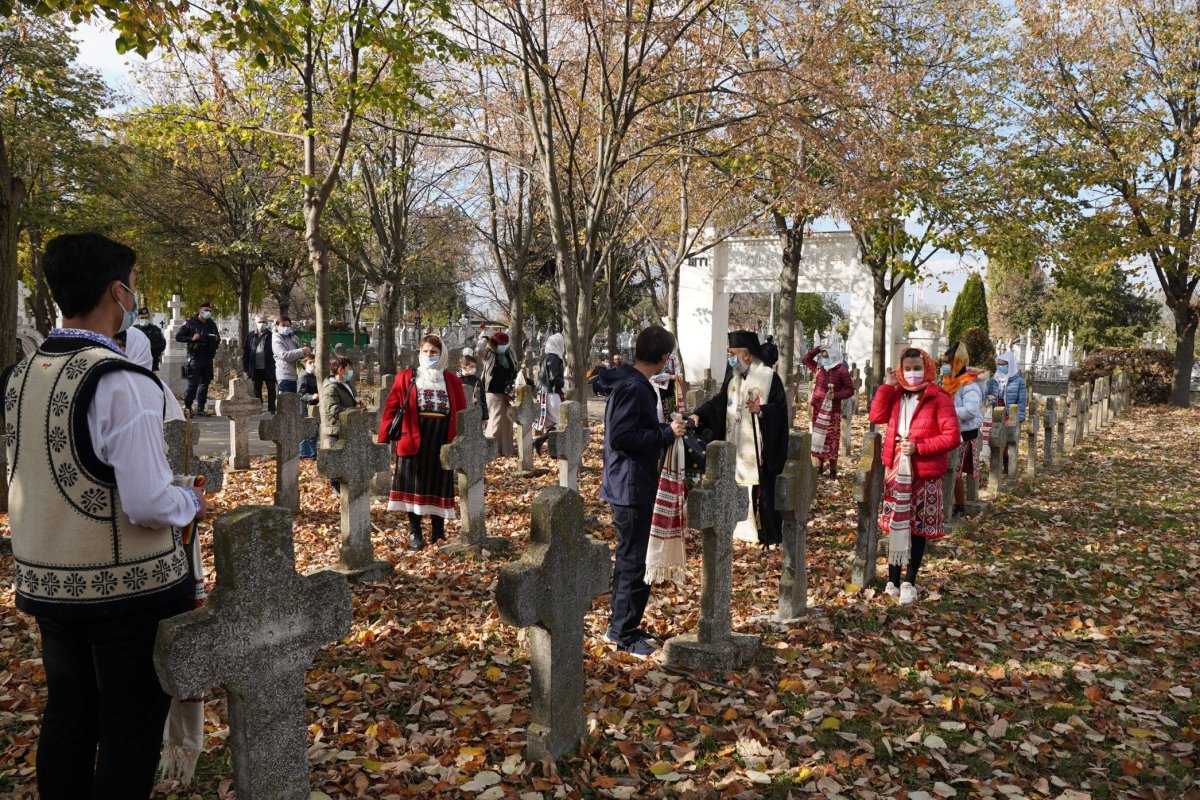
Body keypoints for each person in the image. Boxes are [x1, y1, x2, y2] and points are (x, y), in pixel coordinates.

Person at [0, 232, 206, 799]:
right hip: (128, 592)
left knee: (69, 717)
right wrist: (190, 501)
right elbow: (147, 503)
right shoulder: (121, 381)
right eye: (133, 286)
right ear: (118, 292)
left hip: (47, 582)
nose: (134, 297)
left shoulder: (19, 376)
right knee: (129, 731)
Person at [594, 326, 687, 657]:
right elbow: (622, 437)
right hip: (631, 485)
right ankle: (623, 633)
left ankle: (624, 625)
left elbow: (633, 430)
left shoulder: (632, 381)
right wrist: (666, 434)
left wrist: (663, 429)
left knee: (632, 558)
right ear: (664, 357)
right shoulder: (634, 387)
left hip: (631, 482)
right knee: (634, 561)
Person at [870, 348, 961, 605]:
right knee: (896, 523)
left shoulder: (939, 397)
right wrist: (886, 387)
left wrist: (919, 447)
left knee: (918, 528)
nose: (912, 374)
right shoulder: (896, 393)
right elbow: (876, 416)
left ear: (927, 367)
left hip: (924, 470)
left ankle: (909, 581)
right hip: (897, 468)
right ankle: (892, 579)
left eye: (917, 368)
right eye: (907, 369)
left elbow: (952, 436)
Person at [689, 330, 789, 546]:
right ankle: (734, 525)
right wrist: (699, 414)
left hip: (758, 449)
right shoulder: (734, 378)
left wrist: (762, 411)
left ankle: (761, 531)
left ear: (746, 355)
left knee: (758, 486)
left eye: (732, 353)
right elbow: (718, 403)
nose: (730, 358)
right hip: (735, 443)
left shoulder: (769, 377)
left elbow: (780, 410)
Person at [379, 334, 467, 550]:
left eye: (434, 352)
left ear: (442, 354)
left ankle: (438, 531)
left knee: (439, 484)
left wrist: (461, 439)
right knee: (413, 485)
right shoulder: (406, 377)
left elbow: (462, 411)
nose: (429, 355)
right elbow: (391, 407)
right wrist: (383, 439)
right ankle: (415, 531)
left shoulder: (452, 380)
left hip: (442, 440)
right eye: (425, 351)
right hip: (413, 437)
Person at [940, 342, 985, 517]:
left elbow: (971, 410)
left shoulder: (968, 385)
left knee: (955, 471)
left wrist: (947, 411)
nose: (945, 366)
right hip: (949, 430)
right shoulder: (949, 382)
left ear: (957, 363)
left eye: (948, 363)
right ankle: (947, 503)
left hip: (965, 433)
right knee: (947, 469)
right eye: (944, 363)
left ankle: (959, 506)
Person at [801, 342, 855, 479]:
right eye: (822, 356)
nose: (824, 359)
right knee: (818, 439)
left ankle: (833, 471)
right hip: (818, 409)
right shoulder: (819, 368)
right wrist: (817, 349)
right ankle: (818, 469)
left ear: (833, 356)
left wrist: (835, 395)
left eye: (826, 356)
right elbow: (806, 359)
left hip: (832, 411)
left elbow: (850, 390)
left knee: (831, 441)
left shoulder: (841, 370)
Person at [320, 356, 360, 492]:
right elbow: (333, 409)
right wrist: (354, 411)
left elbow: (354, 400)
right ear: (340, 370)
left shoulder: (348, 385)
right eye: (349, 368)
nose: (351, 371)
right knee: (336, 460)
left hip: (348, 427)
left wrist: (359, 405)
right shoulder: (331, 388)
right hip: (336, 429)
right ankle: (335, 487)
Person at [174, 300, 220, 415]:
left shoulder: (211, 324)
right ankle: (188, 407)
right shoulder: (190, 322)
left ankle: (201, 408)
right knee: (193, 384)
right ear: (200, 310)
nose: (208, 312)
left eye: (210, 311)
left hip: (208, 357)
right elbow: (178, 337)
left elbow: (218, 338)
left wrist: (216, 339)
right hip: (195, 357)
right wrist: (192, 338)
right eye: (206, 310)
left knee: (205, 384)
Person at [985, 350, 1027, 474]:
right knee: (996, 440)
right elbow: (987, 395)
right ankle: (996, 467)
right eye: (999, 364)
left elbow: (1022, 401)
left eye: (1003, 364)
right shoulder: (993, 380)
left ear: (1010, 364)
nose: (1000, 367)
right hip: (996, 414)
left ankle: (1008, 467)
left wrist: (1019, 418)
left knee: (1009, 442)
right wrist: (988, 400)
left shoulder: (1018, 382)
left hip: (1010, 414)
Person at [477, 330, 517, 456]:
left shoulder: (509, 353)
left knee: (507, 423)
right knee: (495, 423)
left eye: (505, 344)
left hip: (507, 393)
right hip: (492, 393)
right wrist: (486, 337)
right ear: (494, 344)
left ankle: (506, 450)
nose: (503, 347)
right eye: (501, 345)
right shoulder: (488, 354)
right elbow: (478, 349)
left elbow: (514, 368)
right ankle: (490, 451)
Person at [533, 332, 566, 455]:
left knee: (552, 424)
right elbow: (554, 378)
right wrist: (564, 384)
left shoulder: (546, 357)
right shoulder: (554, 358)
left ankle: (550, 449)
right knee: (559, 422)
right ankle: (540, 442)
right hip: (551, 394)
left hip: (544, 393)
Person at [243, 313, 277, 413]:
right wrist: (246, 369)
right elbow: (246, 353)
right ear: (255, 322)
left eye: (264, 322)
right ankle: (258, 408)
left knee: (271, 388)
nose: (262, 324)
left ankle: (272, 409)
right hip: (255, 368)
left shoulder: (272, 336)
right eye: (260, 322)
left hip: (269, 367)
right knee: (256, 389)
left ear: (267, 323)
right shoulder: (250, 336)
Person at [272, 315, 310, 394]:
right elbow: (284, 355)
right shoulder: (276, 339)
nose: (286, 328)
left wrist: (305, 354)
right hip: (286, 377)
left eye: (288, 325)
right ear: (277, 326)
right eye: (283, 325)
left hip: (297, 375)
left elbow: (299, 353)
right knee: (288, 399)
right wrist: (302, 351)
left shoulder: (293, 337)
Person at [297, 354, 319, 458]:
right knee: (306, 432)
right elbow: (300, 394)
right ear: (304, 364)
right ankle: (304, 453)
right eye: (310, 362)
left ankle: (313, 453)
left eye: (314, 362)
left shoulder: (314, 376)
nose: (313, 364)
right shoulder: (303, 377)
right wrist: (312, 397)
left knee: (314, 432)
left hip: (313, 408)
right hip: (305, 408)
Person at [457, 353, 488, 423]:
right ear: (463, 367)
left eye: (475, 367)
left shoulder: (477, 380)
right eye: (472, 367)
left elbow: (483, 398)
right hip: (461, 415)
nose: (474, 369)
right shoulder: (457, 380)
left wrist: (485, 417)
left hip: (476, 414)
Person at [133, 306, 165, 371]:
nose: (144, 319)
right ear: (138, 318)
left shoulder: (155, 330)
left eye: (146, 317)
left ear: (149, 317)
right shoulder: (133, 330)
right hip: (136, 363)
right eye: (142, 318)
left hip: (152, 363)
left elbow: (162, 344)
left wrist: (148, 348)